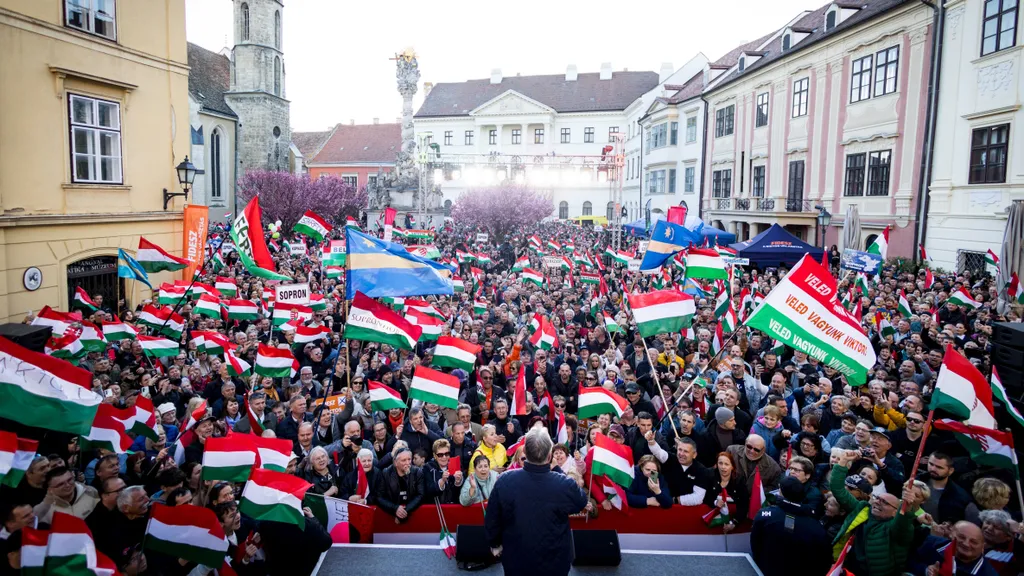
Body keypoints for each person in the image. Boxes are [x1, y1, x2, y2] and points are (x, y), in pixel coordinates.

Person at [485, 427, 588, 576]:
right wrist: (557, 469)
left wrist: (494, 543)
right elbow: (580, 501)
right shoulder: (564, 483)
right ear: (550, 455)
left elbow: (492, 518)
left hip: (517, 561)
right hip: (554, 562)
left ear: (525, 453)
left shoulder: (505, 480)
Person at [829, 449, 917, 576]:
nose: (878, 502)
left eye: (885, 502)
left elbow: (903, 522)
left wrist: (907, 506)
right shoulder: (863, 509)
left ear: (895, 512)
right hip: (848, 568)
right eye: (878, 499)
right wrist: (843, 461)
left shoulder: (895, 528)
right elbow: (838, 490)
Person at [750, 476, 833, 576]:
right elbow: (824, 560)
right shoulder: (816, 527)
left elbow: (755, 544)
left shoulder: (766, 516)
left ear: (781, 492)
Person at [375, 448, 425, 523]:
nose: (407, 463)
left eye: (409, 459)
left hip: (413, 514)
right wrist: (395, 509)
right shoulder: (386, 473)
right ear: (395, 462)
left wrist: (405, 511)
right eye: (403, 460)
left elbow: (421, 495)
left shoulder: (417, 472)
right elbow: (379, 497)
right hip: (391, 517)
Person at [423, 438, 463, 504]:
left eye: (447, 454)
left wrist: (458, 481)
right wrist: (442, 480)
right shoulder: (428, 468)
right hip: (435, 508)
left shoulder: (456, 464)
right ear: (435, 456)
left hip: (454, 507)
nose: (444, 457)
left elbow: (461, 492)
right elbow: (428, 491)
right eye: (440, 455)